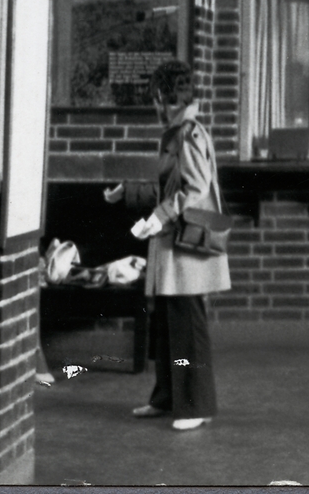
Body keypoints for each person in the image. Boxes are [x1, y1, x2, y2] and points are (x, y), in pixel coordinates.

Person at [104, 60, 230, 431]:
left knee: (187, 327)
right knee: (170, 327)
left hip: (185, 247)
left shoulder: (187, 133)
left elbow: (195, 188)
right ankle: (168, 398)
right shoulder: (179, 131)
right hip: (176, 246)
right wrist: (127, 193)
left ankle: (195, 405)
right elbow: (172, 187)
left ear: (162, 96)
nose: (155, 105)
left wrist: (158, 217)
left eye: (156, 98)